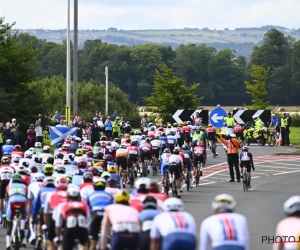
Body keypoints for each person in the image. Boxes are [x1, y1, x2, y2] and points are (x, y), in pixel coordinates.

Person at [54, 184, 90, 250]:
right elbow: (88, 222)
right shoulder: (85, 205)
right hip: (82, 228)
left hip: (69, 229)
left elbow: (58, 223)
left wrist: (58, 236)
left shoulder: (62, 205)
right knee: (84, 244)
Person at [86, 178, 114, 250]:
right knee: (109, 235)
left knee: (92, 242)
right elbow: (112, 207)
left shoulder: (90, 195)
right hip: (106, 215)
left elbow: (87, 208)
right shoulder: (109, 195)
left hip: (95, 215)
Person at [6, 174, 28, 249]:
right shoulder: (25, 186)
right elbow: (26, 197)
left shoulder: (9, 186)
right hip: (22, 201)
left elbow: (7, 200)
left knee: (9, 223)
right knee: (24, 216)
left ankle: (8, 244)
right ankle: (22, 230)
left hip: (12, 201)